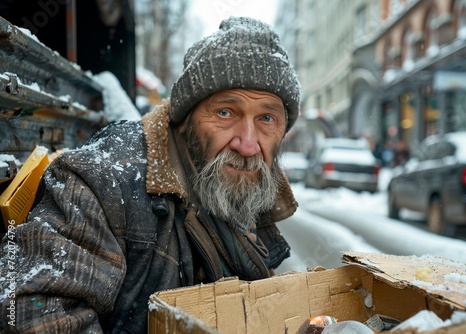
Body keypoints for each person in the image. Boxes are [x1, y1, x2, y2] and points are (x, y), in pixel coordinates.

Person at [0, 17, 301, 333]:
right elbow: (30, 313)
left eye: (267, 118)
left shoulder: (249, 188)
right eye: (225, 112)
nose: (248, 144)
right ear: (184, 120)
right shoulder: (105, 178)